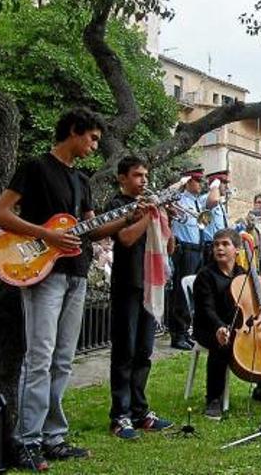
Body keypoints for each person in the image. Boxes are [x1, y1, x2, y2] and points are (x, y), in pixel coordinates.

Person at [0, 107, 119, 470]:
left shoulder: (83, 181)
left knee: (63, 359)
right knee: (39, 358)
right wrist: (45, 234)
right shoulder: (35, 167)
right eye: (92, 137)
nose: (95, 145)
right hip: (42, 273)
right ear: (75, 131)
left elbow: (91, 230)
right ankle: (27, 440)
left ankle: (54, 436)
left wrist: (130, 216)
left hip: (76, 273)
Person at [105, 156, 174, 440]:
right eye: (136, 175)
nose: (143, 180)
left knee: (144, 351)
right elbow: (126, 238)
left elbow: (170, 247)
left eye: (145, 175)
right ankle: (119, 415)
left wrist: (164, 218)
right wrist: (149, 215)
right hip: (127, 284)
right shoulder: (115, 205)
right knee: (125, 350)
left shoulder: (151, 208)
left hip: (150, 284)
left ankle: (140, 410)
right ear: (122, 178)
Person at [193, 229, 261, 420]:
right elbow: (207, 310)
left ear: (237, 249)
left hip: (242, 326)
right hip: (209, 327)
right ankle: (214, 398)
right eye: (216, 245)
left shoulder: (244, 274)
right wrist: (219, 327)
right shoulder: (206, 275)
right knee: (222, 344)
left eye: (225, 244)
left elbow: (257, 307)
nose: (219, 248)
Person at [169, 166, 221, 350]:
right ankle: (177, 334)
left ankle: (185, 331)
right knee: (180, 294)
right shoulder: (178, 198)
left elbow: (210, 206)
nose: (201, 184)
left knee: (192, 293)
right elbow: (164, 195)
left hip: (198, 248)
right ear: (188, 181)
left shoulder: (196, 201)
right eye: (197, 180)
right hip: (185, 249)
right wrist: (181, 182)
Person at [201, 170, 231, 261]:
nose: (227, 186)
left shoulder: (220, 204)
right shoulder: (206, 198)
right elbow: (213, 200)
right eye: (224, 182)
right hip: (210, 246)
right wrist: (215, 185)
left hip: (220, 245)